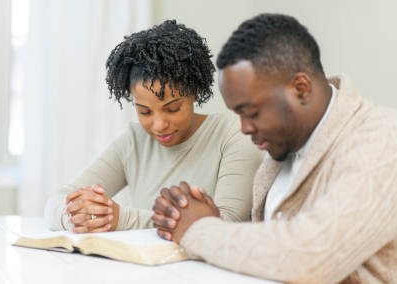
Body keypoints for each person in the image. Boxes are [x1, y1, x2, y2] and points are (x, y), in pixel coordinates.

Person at [152, 14, 397, 283]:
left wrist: (200, 229)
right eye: (238, 114)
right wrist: (208, 220)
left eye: (253, 112)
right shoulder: (284, 147)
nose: (244, 128)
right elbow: (273, 247)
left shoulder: (383, 141)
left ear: (301, 88)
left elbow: (308, 257)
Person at [44, 20, 264, 233]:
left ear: (194, 91)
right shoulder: (133, 141)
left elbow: (226, 224)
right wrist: (74, 215)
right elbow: (57, 201)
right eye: (145, 112)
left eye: (172, 109)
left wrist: (123, 219)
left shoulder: (234, 135)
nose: (159, 126)